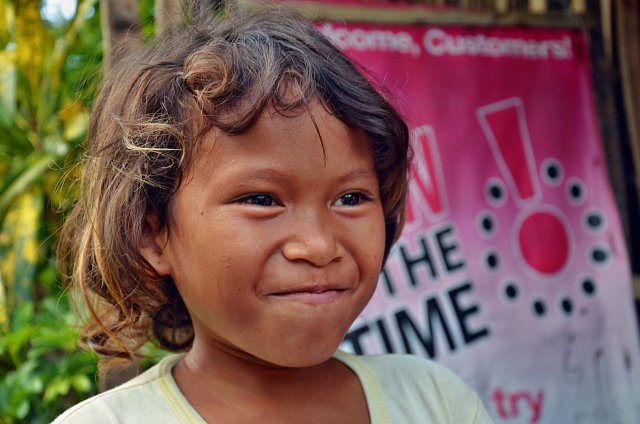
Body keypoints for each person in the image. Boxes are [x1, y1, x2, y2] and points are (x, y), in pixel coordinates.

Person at [54, 6, 493, 423]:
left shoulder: (436, 403)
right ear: (153, 235)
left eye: (350, 198)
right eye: (262, 200)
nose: (318, 246)